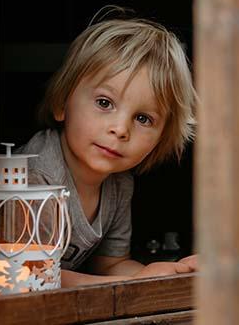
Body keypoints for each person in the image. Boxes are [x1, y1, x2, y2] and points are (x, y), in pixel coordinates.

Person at [16, 15, 198, 287]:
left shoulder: (118, 184)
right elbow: (28, 274)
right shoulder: (36, 177)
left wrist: (165, 274)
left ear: (159, 141)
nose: (121, 129)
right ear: (62, 104)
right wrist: (129, 285)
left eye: (143, 119)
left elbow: (110, 264)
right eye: (104, 102)